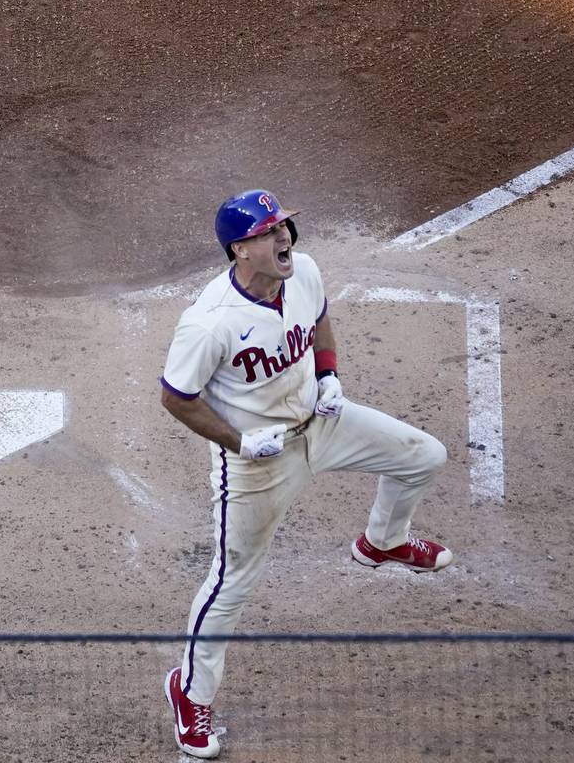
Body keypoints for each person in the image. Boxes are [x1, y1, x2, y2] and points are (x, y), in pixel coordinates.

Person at [158, 189, 452, 758]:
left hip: (321, 424)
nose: (285, 238)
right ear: (241, 250)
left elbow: (318, 323)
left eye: (285, 227)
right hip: (256, 465)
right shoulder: (211, 322)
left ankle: (382, 542)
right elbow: (177, 398)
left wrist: (328, 376)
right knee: (232, 581)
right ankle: (190, 691)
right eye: (270, 233)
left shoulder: (305, 273)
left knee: (423, 456)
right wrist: (242, 440)